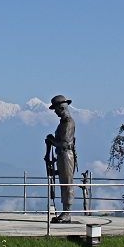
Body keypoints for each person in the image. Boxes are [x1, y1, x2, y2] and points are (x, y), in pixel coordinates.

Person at [45, 95, 76, 223]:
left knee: (67, 182)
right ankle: (65, 211)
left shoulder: (68, 123)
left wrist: (51, 140)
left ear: (61, 107)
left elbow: (63, 142)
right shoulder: (63, 123)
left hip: (66, 155)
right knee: (63, 181)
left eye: (56, 109)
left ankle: (67, 212)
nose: (55, 112)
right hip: (62, 155)